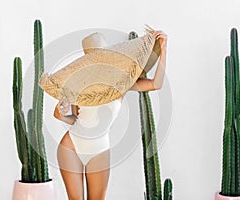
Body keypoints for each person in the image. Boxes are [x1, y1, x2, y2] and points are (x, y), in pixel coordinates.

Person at [54, 30, 167, 200]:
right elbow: (77, 120)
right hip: (71, 146)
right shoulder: (80, 86)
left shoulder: (122, 84)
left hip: (99, 149)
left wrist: (164, 51)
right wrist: (60, 115)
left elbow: (156, 84)